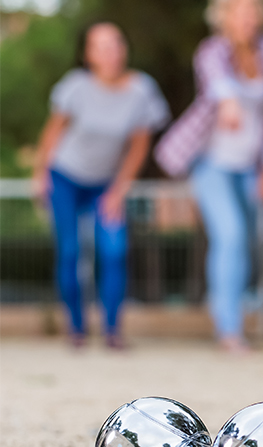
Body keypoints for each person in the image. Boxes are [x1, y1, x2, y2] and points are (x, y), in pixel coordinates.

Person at [155, 0, 263, 353]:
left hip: (252, 164)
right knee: (229, 235)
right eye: (240, 13)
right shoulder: (211, 50)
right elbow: (218, 84)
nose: (249, 19)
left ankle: (240, 312)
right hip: (211, 161)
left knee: (249, 240)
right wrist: (229, 102)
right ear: (224, 18)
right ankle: (228, 329)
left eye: (254, 12)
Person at [33, 22, 170, 349]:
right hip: (65, 177)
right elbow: (53, 133)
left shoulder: (142, 91)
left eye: (117, 43)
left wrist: (119, 190)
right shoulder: (75, 87)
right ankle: (76, 329)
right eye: (102, 46)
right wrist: (40, 175)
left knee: (114, 251)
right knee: (70, 252)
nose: (112, 51)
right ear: (88, 55)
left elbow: (139, 146)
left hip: (106, 184)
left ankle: (112, 331)